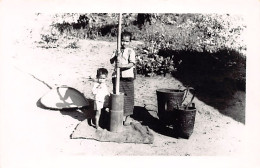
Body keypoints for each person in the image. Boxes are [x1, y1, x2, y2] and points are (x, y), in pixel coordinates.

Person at [110, 31, 136, 126]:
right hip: (117, 77)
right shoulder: (117, 50)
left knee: (128, 96)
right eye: (122, 41)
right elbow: (111, 61)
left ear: (129, 42)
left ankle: (128, 116)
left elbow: (132, 64)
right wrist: (116, 56)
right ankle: (118, 115)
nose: (124, 43)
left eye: (126, 41)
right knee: (118, 96)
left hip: (127, 77)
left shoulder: (130, 51)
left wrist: (121, 66)